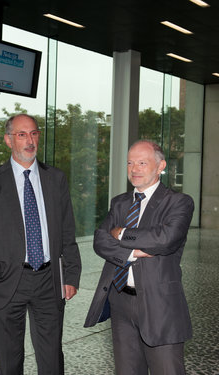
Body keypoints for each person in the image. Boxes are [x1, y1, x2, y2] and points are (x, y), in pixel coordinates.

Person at [0, 114, 82, 375]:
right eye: (22, 134)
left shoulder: (55, 179)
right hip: (7, 280)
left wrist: (72, 275)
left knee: (51, 358)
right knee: (9, 360)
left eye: (33, 133)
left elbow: (68, 231)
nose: (29, 140)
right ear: (9, 140)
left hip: (48, 280)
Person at [84, 140, 194, 375]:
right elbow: (100, 241)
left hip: (159, 305)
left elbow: (164, 239)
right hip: (121, 301)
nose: (134, 169)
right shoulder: (120, 203)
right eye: (130, 163)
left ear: (160, 165)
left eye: (142, 163)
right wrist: (132, 251)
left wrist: (121, 233)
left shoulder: (178, 202)